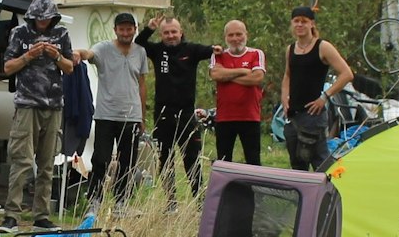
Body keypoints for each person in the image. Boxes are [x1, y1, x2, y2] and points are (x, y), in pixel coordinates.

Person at [0, 0, 76, 234]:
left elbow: (70, 67)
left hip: (53, 104)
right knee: (21, 159)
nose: (43, 22)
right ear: (32, 17)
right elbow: (8, 67)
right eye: (40, 19)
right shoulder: (19, 34)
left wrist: (56, 56)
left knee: (47, 163)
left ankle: (41, 215)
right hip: (26, 103)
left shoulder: (61, 34)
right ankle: (11, 215)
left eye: (47, 18)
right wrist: (29, 55)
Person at [76, 12, 149, 203]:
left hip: (131, 116)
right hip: (106, 114)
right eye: (122, 29)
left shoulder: (140, 51)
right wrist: (78, 54)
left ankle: (120, 201)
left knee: (127, 162)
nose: (126, 32)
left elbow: (142, 84)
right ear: (115, 30)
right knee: (100, 159)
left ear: (135, 29)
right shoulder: (104, 48)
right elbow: (89, 54)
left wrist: (142, 116)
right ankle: (95, 200)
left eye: (129, 29)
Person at [142, 14, 215, 192]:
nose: (170, 36)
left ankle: (199, 199)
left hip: (187, 113)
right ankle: (170, 202)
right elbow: (139, 43)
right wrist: (149, 28)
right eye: (166, 33)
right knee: (164, 159)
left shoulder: (191, 50)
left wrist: (221, 50)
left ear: (181, 32)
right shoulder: (157, 50)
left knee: (192, 158)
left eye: (174, 32)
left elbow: (214, 51)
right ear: (161, 35)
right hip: (163, 113)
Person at [279, 5, 353, 172]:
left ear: (311, 24)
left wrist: (325, 97)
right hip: (293, 114)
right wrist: (284, 97)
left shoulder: (322, 47)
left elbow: (347, 74)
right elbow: (287, 75)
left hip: (313, 115)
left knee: (320, 163)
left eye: (304, 21)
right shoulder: (290, 49)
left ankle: (333, 195)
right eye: (296, 21)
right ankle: (304, 197)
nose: (299, 25)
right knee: (297, 163)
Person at [210, 19, 267, 165]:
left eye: (239, 34)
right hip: (224, 117)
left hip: (250, 116)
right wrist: (242, 71)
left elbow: (257, 78)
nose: (235, 39)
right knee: (223, 161)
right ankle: (225, 188)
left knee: (253, 160)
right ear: (225, 37)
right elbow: (215, 75)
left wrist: (227, 76)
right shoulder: (218, 54)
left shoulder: (256, 53)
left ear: (246, 34)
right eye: (231, 35)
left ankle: (253, 188)